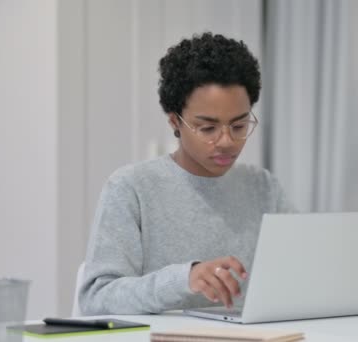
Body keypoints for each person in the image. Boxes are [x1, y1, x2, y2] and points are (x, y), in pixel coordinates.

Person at [79, 32, 293, 315]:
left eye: (239, 126)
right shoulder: (131, 188)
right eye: (208, 128)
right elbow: (96, 298)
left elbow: (301, 270)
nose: (227, 141)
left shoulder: (263, 187)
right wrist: (183, 280)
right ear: (174, 122)